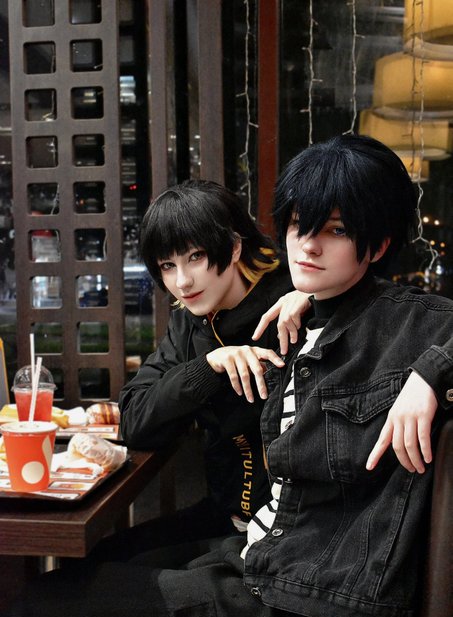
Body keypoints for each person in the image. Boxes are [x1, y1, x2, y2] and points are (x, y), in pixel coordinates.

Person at [6, 135, 453, 617]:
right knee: (54, 599)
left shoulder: (400, 320)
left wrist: (431, 376)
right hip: (267, 562)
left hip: (316, 608)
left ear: (378, 245)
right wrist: (214, 363)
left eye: (335, 231)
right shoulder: (295, 315)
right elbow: (138, 416)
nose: (308, 246)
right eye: (299, 225)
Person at [92, 179, 306, 561]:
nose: (182, 281)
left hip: (289, 538)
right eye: (168, 266)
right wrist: (206, 368)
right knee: (98, 559)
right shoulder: (189, 322)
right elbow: (135, 420)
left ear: (235, 246)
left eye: (195, 257)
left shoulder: (296, 299)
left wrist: (314, 297)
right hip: (225, 519)